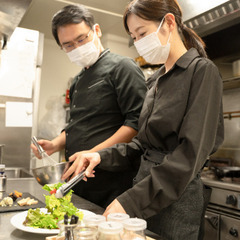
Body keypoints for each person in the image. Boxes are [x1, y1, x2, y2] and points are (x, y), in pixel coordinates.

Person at [62, 0, 224, 239]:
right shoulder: (154, 81)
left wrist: (130, 201)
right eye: (134, 37)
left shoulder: (201, 71)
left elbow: (189, 155)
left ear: (169, 22)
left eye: (142, 33)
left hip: (175, 202)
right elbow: (141, 146)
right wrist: (99, 155)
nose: (138, 43)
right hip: (142, 193)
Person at [31, 4, 147, 208]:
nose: (76, 48)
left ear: (97, 31)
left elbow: (136, 123)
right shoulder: (78, 80)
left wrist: (92, 153)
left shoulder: (123, 67)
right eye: (68, 45)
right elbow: (80, 125)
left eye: (81, 39)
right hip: (80, 179)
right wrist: (55, 143)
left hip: (113, 180)